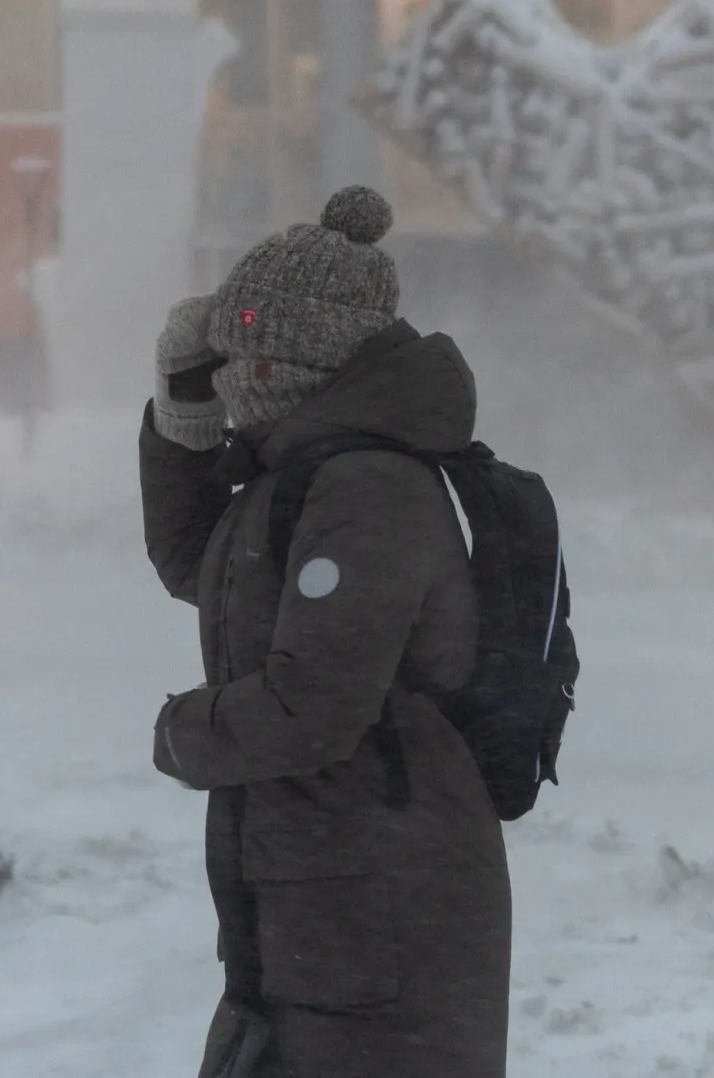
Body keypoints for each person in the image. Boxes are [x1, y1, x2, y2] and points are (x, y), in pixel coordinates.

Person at [139, 186, 512, 1078]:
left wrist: (180, 732)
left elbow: (312, 706)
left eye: (235, 360)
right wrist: (183, 406)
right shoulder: (306, 477)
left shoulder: (367, 489)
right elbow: (202, 562)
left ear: (286, 362)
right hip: (328, 891)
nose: (229, 383)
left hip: (380, 906)